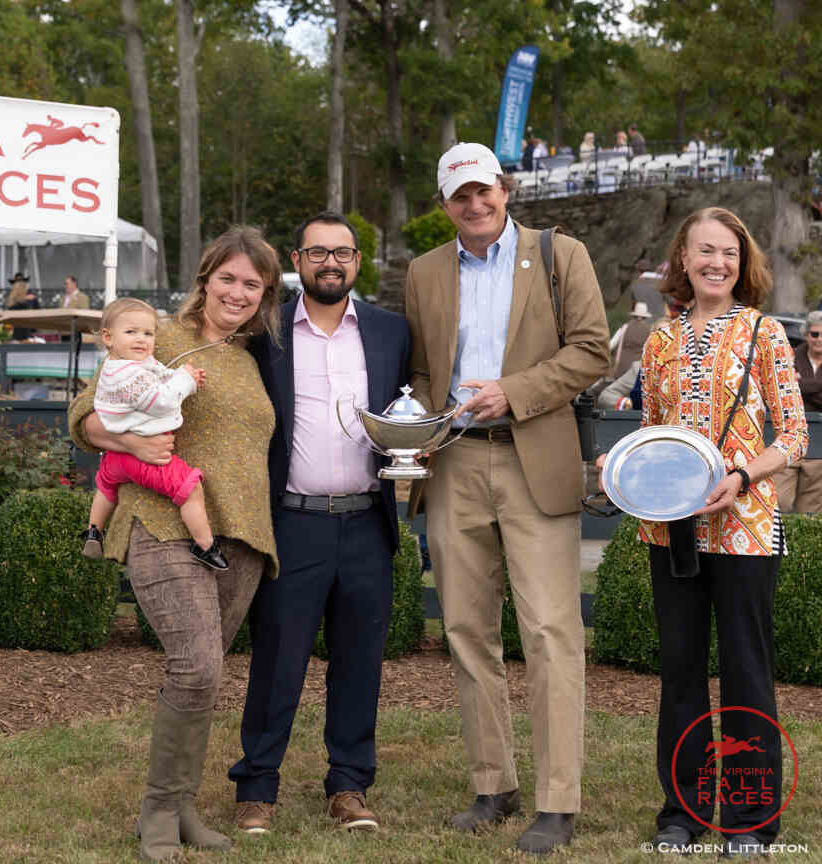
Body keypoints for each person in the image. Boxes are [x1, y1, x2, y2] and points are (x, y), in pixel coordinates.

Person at [405, 141, 610, 854]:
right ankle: (493, 784)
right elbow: (423, 370)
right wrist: (416, 424)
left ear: (506, 189)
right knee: (466, 629)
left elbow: (592, 350)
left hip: (534, 460)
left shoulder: (561, 255)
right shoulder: (424, 271)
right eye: (460, 195)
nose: (475, 204)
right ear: (445, 204)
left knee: (550, 632)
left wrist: (512, 392)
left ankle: (557, 800)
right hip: (453, 462)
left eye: (483, 190)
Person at [67, 225, 283, 861]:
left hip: (241, 537)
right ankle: (159, 810)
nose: (238, 292)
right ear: (205, 279)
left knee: (205, 676)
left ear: (265, 294)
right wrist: (128, 442)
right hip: (164, 522)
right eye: (227, 278)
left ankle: (184, 805)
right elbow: (84, 415)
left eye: (252, 284)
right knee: (196, 665)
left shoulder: (253, 359)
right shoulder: (160, 337)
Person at [602, 207, 807, 857]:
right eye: (706, 251)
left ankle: (750, 820)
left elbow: (794, 436)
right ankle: (683, 812)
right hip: (672, 528)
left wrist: (743, 476)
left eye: (730, 253)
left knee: (747, 673)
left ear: (742, 264)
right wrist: (621, 466)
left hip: (746, 527)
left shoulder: (764, 332)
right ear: (683, 260)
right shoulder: (659, 340)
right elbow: (650, 432)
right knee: (681, 673)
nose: (718, 263)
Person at [228, 212, 410, 835]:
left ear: (357, 261)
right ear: (297, 261)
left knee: (360, 662)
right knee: (277, 661)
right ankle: (257, 788)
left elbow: (409, 411)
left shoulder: (390, 331)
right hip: (292, 522)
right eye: (317, 252)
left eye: (342, 252)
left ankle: (349, 785)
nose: (330, 262)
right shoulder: (265, 332)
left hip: (367, 522)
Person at [81, 297, 225, 571]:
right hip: (142, 456)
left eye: (148, 333)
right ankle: (205, 544)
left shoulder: (126, 364)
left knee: (106, 486)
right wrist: (185, 380)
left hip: (115, 455)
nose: (141, 339)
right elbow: (161, 401)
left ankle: (94, 530)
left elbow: (159, 376)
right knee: (190, 487)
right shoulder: (127, 375)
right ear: (108, 337)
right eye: (131, 331)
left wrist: (186, 377)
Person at [774, 309, 822, 513]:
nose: (819, 339)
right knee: (780, 501)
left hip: (819, 443)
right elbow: (782, 388)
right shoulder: (790, 355)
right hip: (790, 437)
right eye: (815, 334)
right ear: (806, 334)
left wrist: (801, 385)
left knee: (810, 509)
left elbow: (794, 388)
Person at [609, 300, 652, 380]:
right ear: (645, 317)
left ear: (634, 315)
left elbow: (612, 344)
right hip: (638, 367)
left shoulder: (625, 327)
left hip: (622, 365)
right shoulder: (650, 330)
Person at [6, 272, 40, 340]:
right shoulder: (22, 302)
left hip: (20, 333)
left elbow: (37, 311)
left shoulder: (12, 300)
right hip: (24, 334)